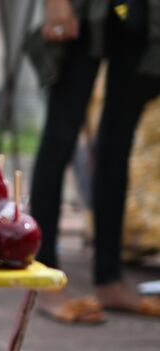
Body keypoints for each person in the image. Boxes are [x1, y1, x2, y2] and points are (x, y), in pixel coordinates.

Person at [32, 0, 160, 323]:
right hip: (84, 9)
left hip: (141, 13)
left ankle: (109, 278)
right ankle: (43, 278)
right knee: (60, 136)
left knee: (118, 143)